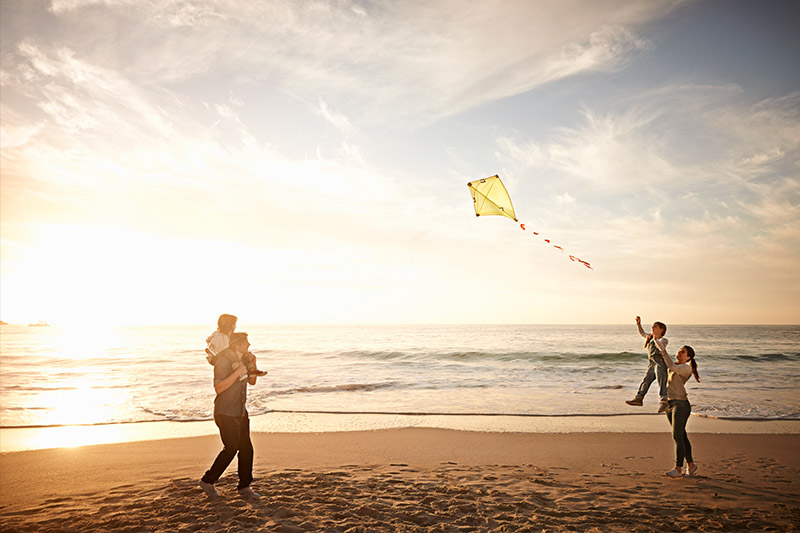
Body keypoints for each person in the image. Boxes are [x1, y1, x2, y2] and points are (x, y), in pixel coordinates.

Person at [199, 332, 263, 498]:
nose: (249, 345)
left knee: (246, 449)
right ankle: (207, 481)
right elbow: (219, 387)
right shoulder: (223, 361)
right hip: (225, 411)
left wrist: (252, 364)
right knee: (231, 448)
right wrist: (237, 373)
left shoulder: (242, 361)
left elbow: (252, 381)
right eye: (246, 343)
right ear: (237, 344)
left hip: (240, 411)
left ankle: (244, 487)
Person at [653, 340, 701, 478]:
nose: (679, 353)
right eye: (679, 351)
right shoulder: (672, 366)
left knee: (676, 436)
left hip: (681, 405)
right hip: (670, 404)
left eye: (683, 352)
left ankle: (678, 468)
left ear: (688, 358)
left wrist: (663, 350)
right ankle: (691, 466)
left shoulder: (686, 368)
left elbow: (672, 368)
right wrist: (658, 343)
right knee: (682, 436)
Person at [626, 316, 670, 413]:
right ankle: (639, 398)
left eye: (655, 327)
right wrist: (638, 324)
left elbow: (661, 348)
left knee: (662, 382)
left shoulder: (663, 340)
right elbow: (642, 333)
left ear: (661, 329)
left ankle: (664, 402)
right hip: (652, 364)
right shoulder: (649, 337)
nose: (652, 328)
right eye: (652, 327)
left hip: (660, 364)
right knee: (646, 381)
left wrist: (655, 339)